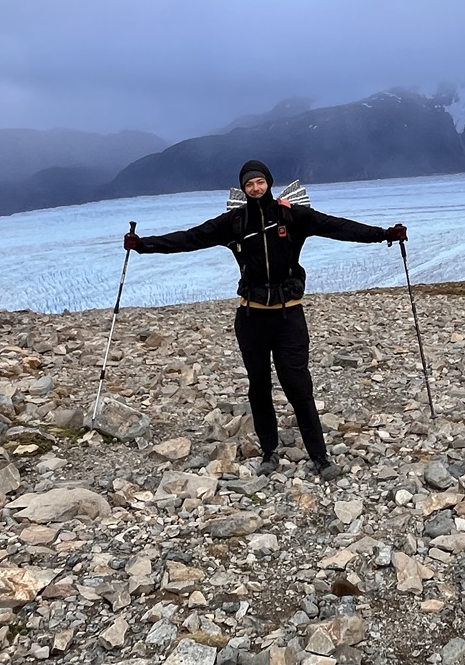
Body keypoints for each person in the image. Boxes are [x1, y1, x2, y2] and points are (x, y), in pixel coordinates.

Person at [123, 160, 408, 481]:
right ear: (243, 188)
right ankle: (269, 452)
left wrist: (383, 235)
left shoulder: (293, 216)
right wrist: (144, 245)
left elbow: (338, 227)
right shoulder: (234, 222)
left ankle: (320, 456)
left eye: (260, 182)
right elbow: (191, 238)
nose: (255, 188)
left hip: (289, 318)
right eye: (249, 184)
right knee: (258, 387)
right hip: (251, 318)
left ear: (269, 183)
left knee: (298, 387)